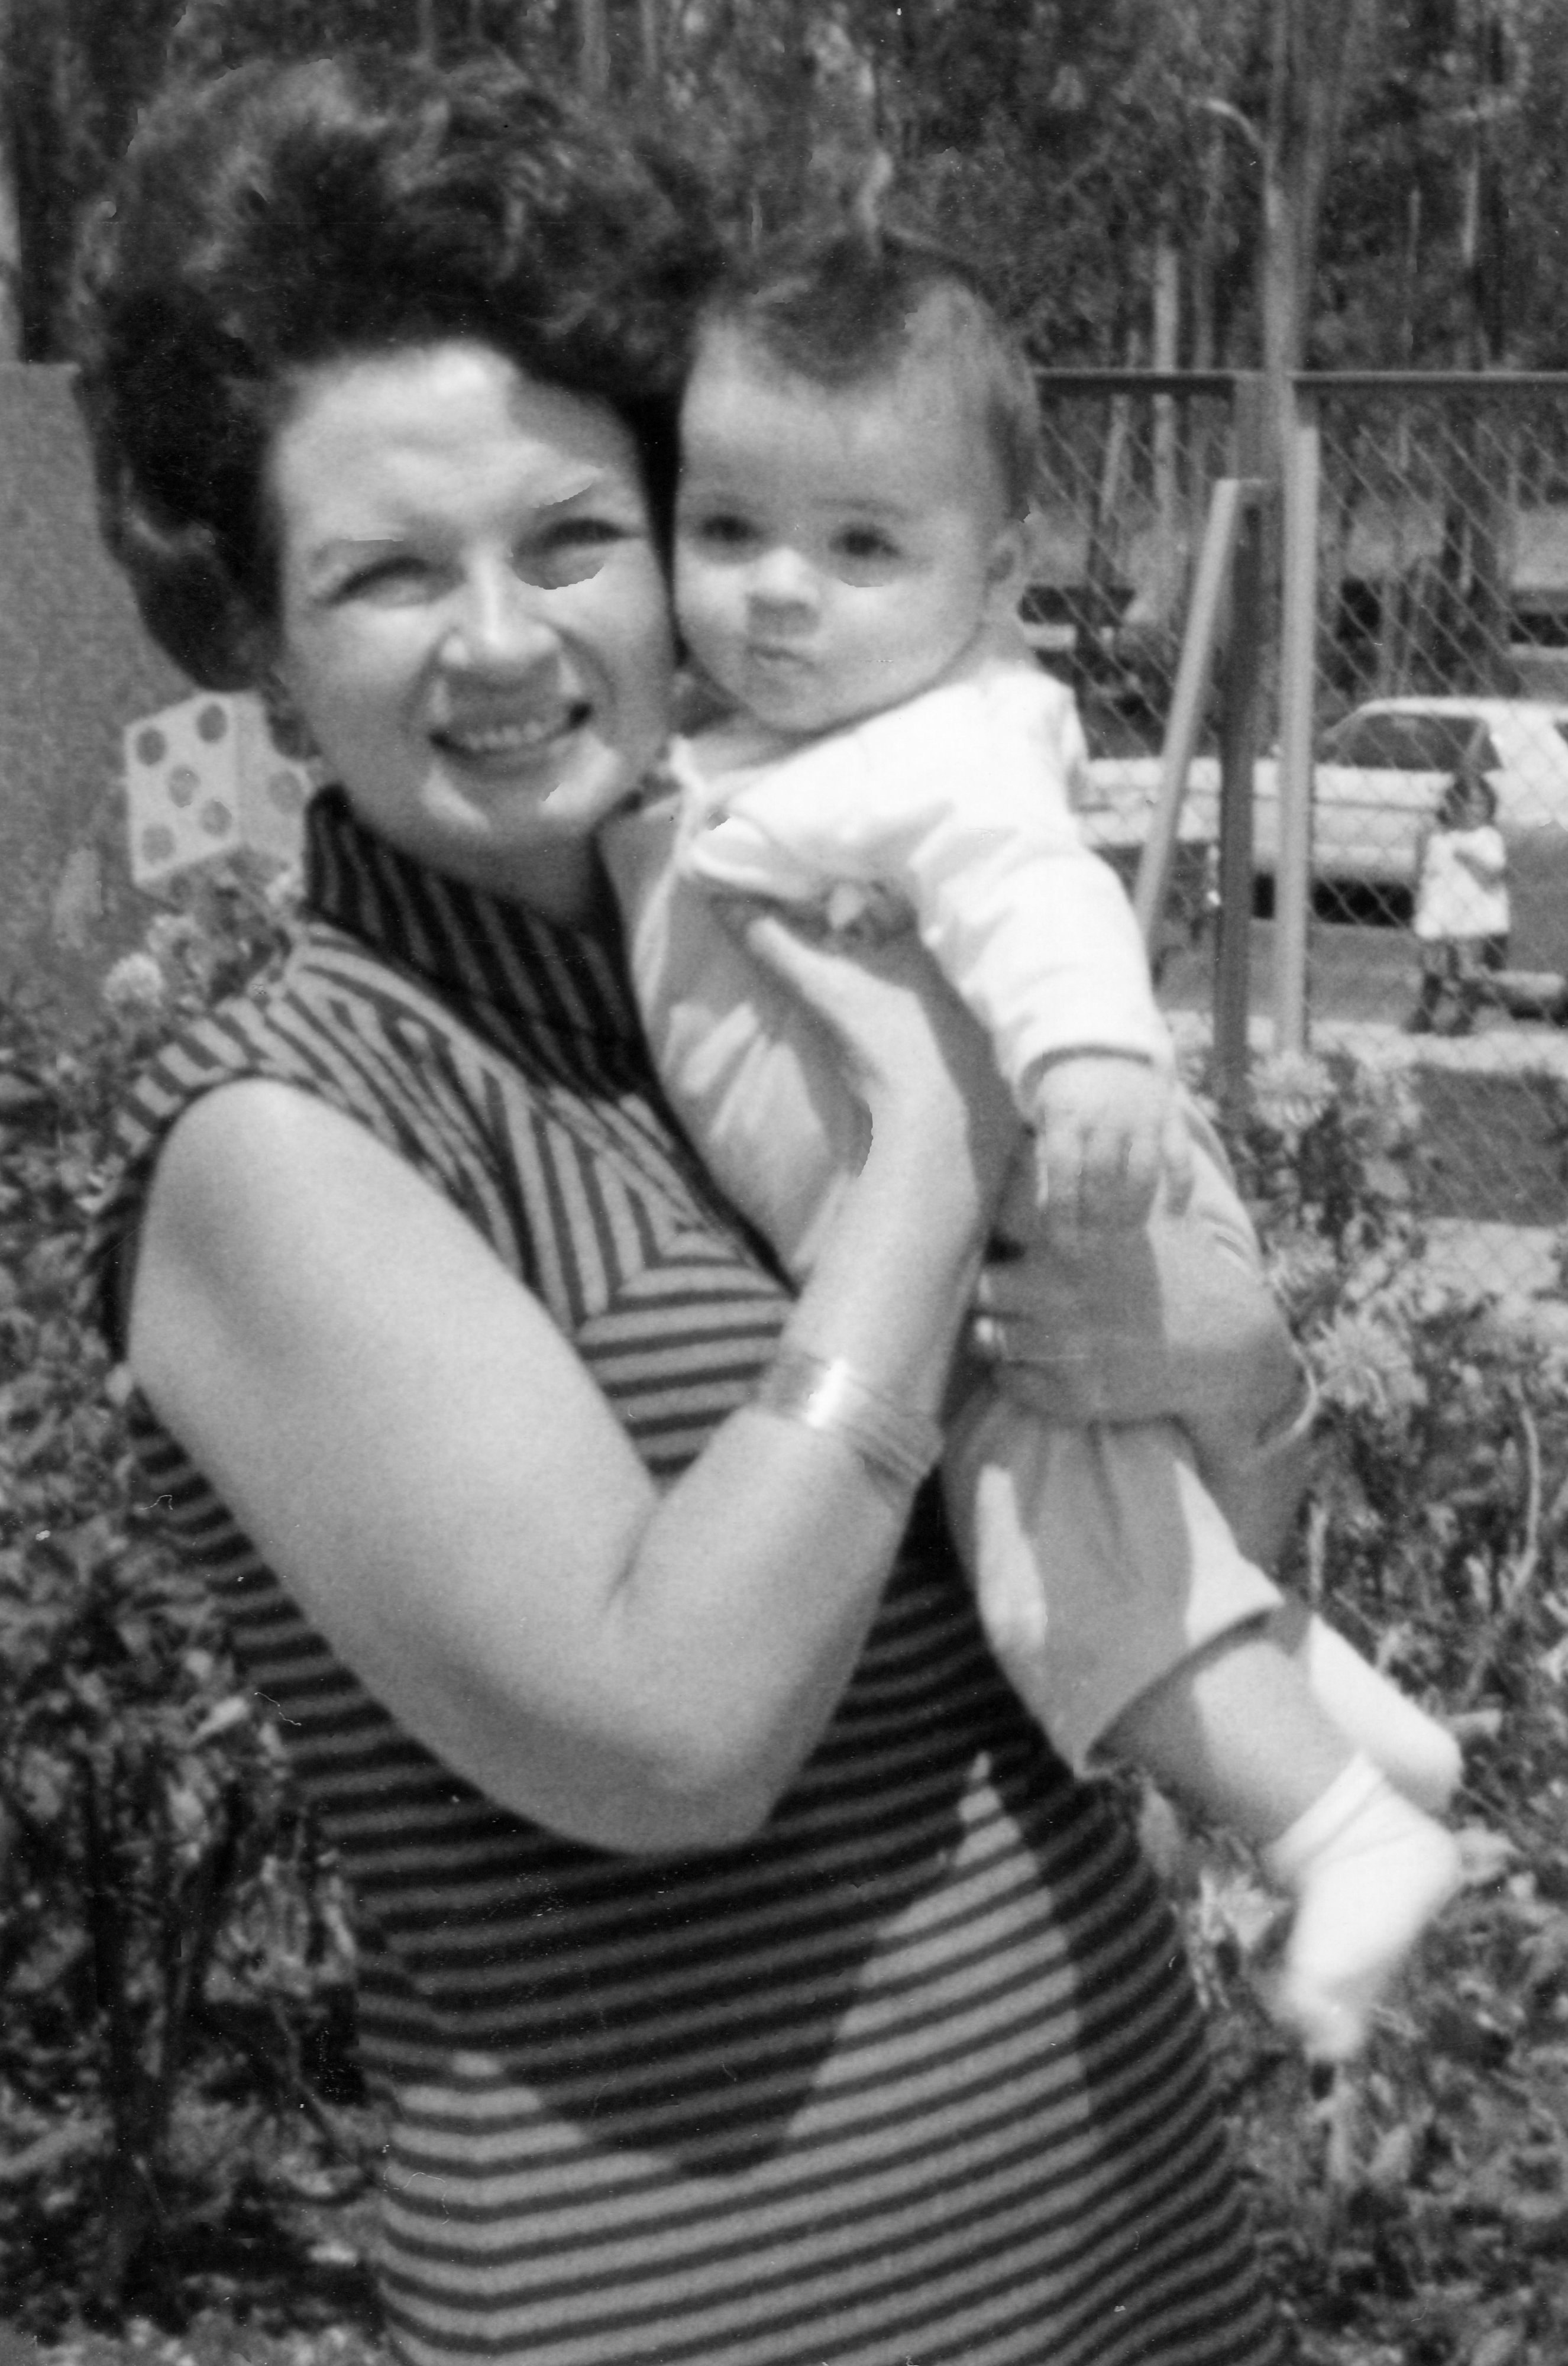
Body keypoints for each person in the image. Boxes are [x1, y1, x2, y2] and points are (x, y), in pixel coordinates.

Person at [76, 50, 1291, 2366]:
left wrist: (1224, 1354)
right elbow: (664, 1724)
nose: (506, 643)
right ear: (256, 646)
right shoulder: (282, 1134)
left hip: (1137, 2274)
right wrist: (934, 1159)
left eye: (564, 537)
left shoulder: (782, 976)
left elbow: (1221, 1511)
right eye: (384, 575)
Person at [606, 221, 1463, 2064]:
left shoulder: (939, 746)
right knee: (1105, 1517)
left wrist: (1088, 1063)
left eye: (859, 549)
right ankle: (1352, 1722)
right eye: (728, 529)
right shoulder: (752, 737)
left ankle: (1340, 1828)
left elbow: (1030, 890)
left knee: (1042, 1544)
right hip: (982, 1220)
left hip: (1027, 1212)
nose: (775, 596)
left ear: (992, 575)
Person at [1409, 757, 1510, 1035]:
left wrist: (1469, 858)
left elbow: (1493, 874)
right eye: (1467, 803)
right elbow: (1426, 875)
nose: (1474, 810)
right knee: (1433, 967)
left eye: (1481, 804)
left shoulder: (1488, 838)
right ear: (1452, 806)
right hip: (1440, 914)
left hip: (1472, 917)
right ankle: (1424, 1014)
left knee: (1469, 970)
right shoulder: (1440, 838)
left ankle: (1464, 1019)